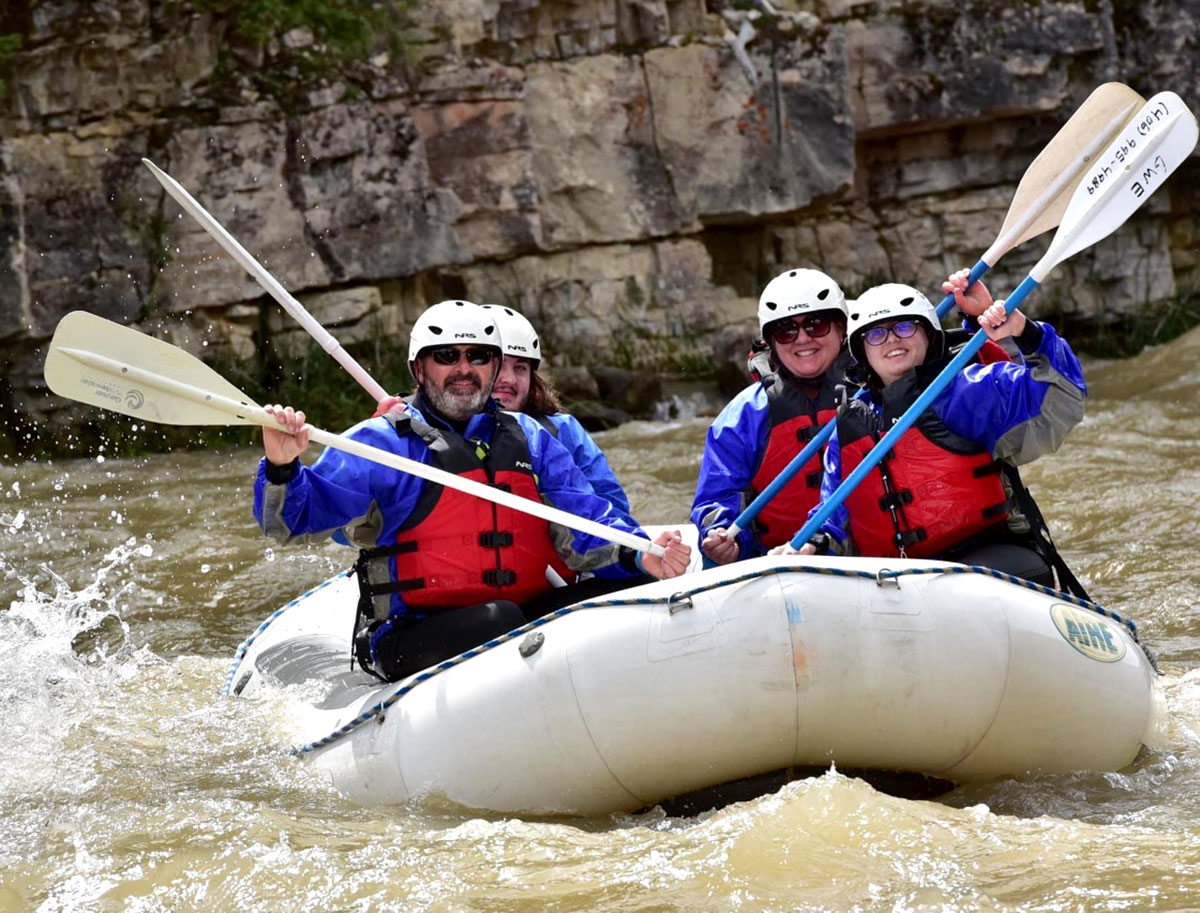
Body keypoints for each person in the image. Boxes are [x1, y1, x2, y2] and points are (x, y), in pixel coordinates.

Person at [254, 299, 690, 682]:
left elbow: (585, 522)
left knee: (633, 583)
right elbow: (290, 523)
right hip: (413, 630)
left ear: (494, 367)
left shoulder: (531, 439)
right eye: (447, 355)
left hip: (522, 610)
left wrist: (638, 551)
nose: (464, 369)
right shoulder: (381, 443)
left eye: (478, 356)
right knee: (501, 618)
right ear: (419, 369)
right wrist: (281, 466)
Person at [785, 275, 1086, 585]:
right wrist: (810, 545)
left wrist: (1025, 332)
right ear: (862, 351)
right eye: (875, 334)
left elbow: (1063, 395)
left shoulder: (971, 390)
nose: (891, 340)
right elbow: (833, 515)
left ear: (928, 335)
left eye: (904, 327)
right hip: (896, 578)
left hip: (987, 557)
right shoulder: (848, 428)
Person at [690, 268, 854, 564]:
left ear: (842, 329)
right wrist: (721, 533)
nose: (802, 339)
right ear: (771, 342)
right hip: (779, 564)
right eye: (785, 330)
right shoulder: (743, 416)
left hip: (876, 556)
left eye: (817, 325)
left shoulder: (877, 389)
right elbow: (716, 496)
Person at [480, 304, 636, 525]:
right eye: (500, 367)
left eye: (520, 368)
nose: (510, 379)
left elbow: (613, 507)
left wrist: (635, 554)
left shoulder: (563, 431)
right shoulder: (435, 431)